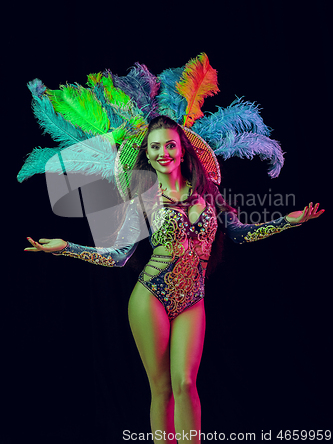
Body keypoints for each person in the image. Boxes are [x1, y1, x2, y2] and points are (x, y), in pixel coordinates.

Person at [24, 115, 324, 444]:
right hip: (149, 297)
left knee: (185, 384)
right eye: (156, 147)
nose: (163, 152)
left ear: (182, 150)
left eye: (170, 145)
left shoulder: (208, 195)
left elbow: (240, 234)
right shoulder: (144, 200)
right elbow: (118, 255)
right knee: (163, 389)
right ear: (148, 155)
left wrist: (288, 221)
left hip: (193, 299)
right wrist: (66, 247)